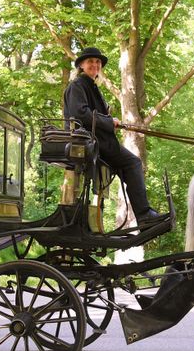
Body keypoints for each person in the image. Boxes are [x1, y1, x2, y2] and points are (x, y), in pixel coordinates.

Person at [63, 47, 161, 224]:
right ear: (81, 66)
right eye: (90, 61)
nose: (95, 64)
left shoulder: (91, 86)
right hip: (91, 143)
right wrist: (109, 121)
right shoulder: (78, 85)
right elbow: (80, 114)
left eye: (98, 62)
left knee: (127, 167)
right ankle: (144, 215)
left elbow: (92, 115)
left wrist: (109, 122)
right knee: (133, 163)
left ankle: (142, 216)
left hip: (99, 142)